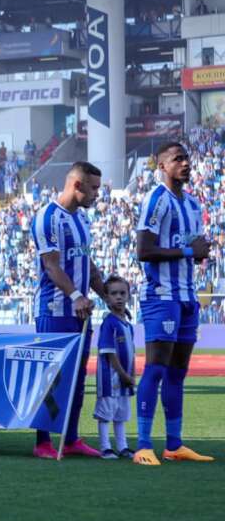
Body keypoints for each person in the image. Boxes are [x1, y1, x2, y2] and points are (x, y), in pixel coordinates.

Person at [133, 142, 214, 465]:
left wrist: (198, 251)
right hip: (160, 297)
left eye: (187, 159)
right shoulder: (156, 200)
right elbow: (144, 250)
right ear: (162, 166)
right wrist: (188, 252)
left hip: (186, 297)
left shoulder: (193, 205)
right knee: (155, 368)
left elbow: (190, 250)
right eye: (177, 159)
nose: (185, 164)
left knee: (178, 373)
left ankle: (174, 444)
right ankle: (142, 445)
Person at [29, 162, 107, 459]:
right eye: (94, 188)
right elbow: (51, 265)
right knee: (51, 377)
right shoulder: (47, 217)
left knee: (77, 378)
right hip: (53, 309)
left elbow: (87, 262)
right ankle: (42, 442)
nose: (97, 194)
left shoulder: (83, 219)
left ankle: (71, 437)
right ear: (77, 185)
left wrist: (104, 295)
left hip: (79, 311)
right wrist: (75, 295)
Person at [94, 275, 136, 460]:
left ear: (128, 296)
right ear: (106, 298)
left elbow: (131, 352)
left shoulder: (128, 324)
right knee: (106, 413)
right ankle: (105, 447)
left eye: (122, 293)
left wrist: (130, 374)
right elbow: (109, 352)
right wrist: (123, 374)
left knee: (121, 413)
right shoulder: (109, 323)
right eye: (114, 294)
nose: (118, 297)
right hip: (110, 378)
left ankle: (123, 446)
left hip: (124, 378)